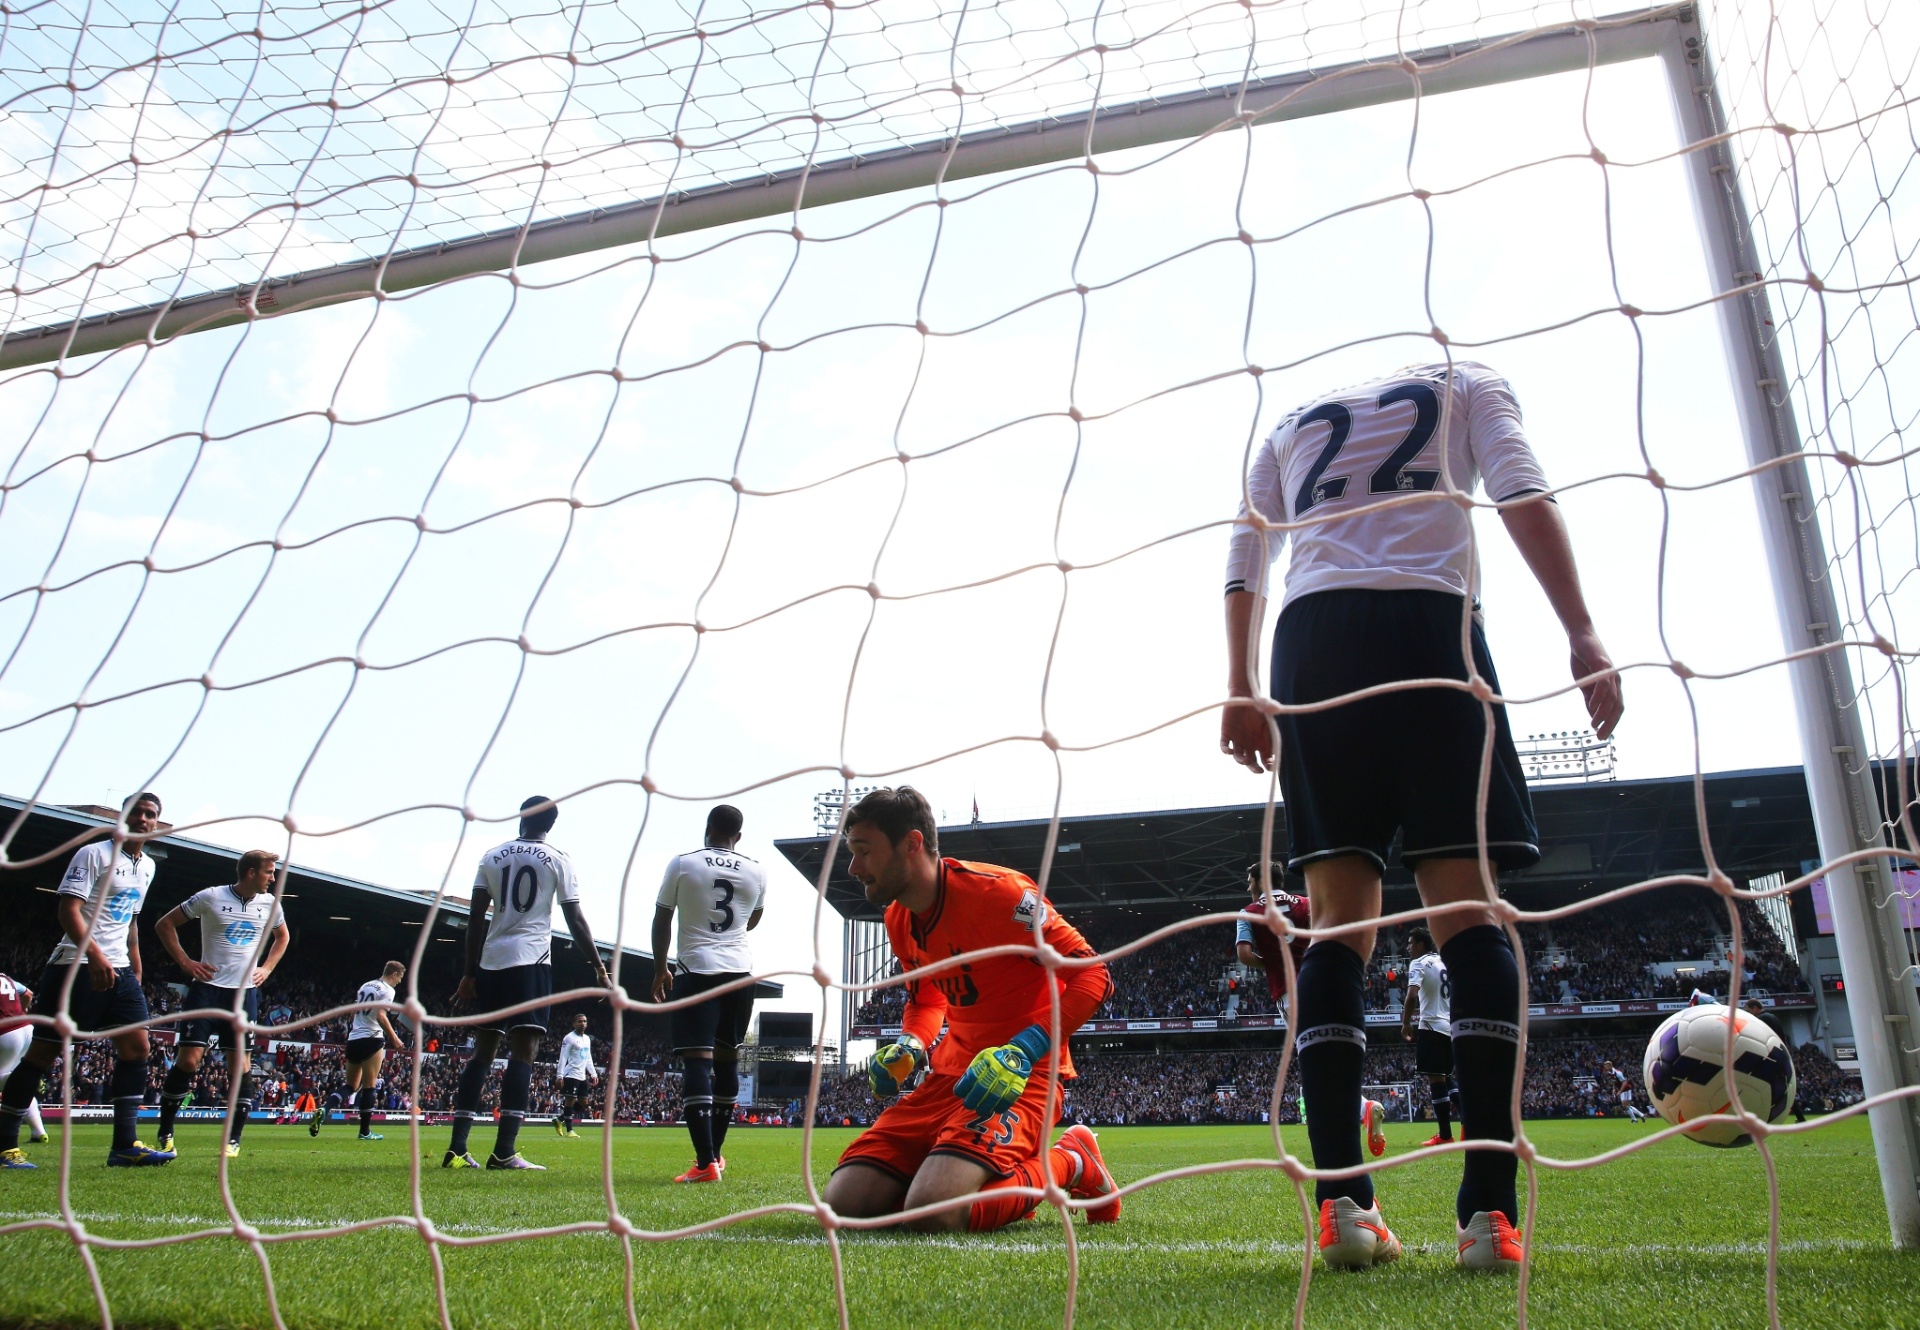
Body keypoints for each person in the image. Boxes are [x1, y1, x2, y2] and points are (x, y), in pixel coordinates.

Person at [1219, 362, 1623, 1271]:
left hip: (1312, 645)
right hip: (1432, 627)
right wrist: (1582, 630)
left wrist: (1239, 687)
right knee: (1469, 913)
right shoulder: (1472, 383)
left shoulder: (1287, 424)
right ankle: (1489, 1217)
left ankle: (1345, 1213)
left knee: (1337, 928)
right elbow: (1521, 487)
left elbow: (1247, 552)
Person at [821, 787, 1123, 1232]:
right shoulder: (898, 918)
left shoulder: (1002, 896)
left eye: (863, 851)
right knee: (844, 1206)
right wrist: (912, 1043)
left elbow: (1094, 974)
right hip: (951, 1076)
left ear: (912, 844)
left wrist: (1024, 1049)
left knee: (935, 1215)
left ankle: (1071, 1160)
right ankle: (964, 1172)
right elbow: (927, 998)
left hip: (1023, 1074)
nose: (853, 868)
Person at [0, 792, 175, 1169]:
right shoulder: (94, 854)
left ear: (157, 824)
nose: (144, 819)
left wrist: (136, 965)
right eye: (138, 813)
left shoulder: (147, 866)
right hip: (75, 965)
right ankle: (4, 1145)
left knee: (138, 1049)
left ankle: (124, 1145)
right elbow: (68, 909)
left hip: (121, 969)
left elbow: (131, 920)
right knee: (42, 1055)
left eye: (151, 815)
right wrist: (94, 955)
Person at [444, 796, 610, 1171]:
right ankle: (504, 1151)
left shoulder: (491, 856)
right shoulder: (559, 859)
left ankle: (456, 1148)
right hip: (531, 962)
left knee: (482, 1054)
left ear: (520, 818)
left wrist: (470, 973)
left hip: (492, 961)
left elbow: (475, 919)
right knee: (524, 1052)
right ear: (551, 824)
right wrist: (599, 968)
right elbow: (576, 920)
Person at [1235, 863, 1388, 1157]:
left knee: (1316, 1064)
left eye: (1248, 879)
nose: (1247, 886)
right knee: (1333, 1054)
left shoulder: (1248, 912)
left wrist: (1275, 961)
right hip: (1323, 980)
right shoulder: (1306, 903)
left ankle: (1360, 1109)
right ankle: (1358, 1108)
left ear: (1259, 881)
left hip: (1290, 991)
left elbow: (1244, 955)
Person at [652, 805, 766, 1181]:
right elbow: (752, 918)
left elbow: (662, 917)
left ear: (708, 828)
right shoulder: (756, 869)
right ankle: (715, 1156)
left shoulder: (684, 863)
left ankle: (704, 1165)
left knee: (698, 1064)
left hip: (697, 969)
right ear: (739, 834)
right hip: (740, 973)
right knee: (727, 1062)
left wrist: (659, 969)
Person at [152, 849, 290, 1158]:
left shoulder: (270, 905)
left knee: (239, 1066)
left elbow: (283, 938)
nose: (273, 878)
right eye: (269, 872)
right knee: (188, 1061)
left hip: (243, 996)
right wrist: (187, 963)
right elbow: (165, 924)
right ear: (251, 872)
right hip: (206, 990)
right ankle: (166, 1131)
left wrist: (266, 968)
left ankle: (234, 1139)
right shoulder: (211, 897)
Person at [316, 960, 407, 1140]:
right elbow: (381, 1015)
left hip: (354, 1038)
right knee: (369, 1086)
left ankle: (324, 1109)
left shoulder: (365, 986)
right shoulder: (388, 990)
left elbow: (354, 1011)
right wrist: (395, 1038)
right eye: (400, 978)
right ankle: (364, 1131)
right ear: (394, 974)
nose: (400, 982)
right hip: (372, 1038)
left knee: (351, 1085)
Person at [1400, 927, 1460, 1147]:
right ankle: (1469, 1126)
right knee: (1447, 1076)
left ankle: (1445, 1135)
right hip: (1448, 1026)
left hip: (1431, 1025)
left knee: (1436, 1078)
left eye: (1410, 943)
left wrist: (1406, 1023)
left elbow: (1412, 995)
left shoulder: (1418, 963)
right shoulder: (1442, 962)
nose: (1407, 948)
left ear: (1421, 945)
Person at [0, 974, 48, 1145]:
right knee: (17, 1080)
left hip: (5, 1034)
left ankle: (27, 1080)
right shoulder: (4, 977)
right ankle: (38, 1132)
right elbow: (28, 994)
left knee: (10, 1080)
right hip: (26, 1029)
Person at [554, 1013, 598, 1138]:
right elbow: (563, 1057)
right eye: (580, 1021)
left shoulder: (587, 1039)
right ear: (574, 1023)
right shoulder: (569, 1038)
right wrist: (559, 1076)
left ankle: (559, 1120)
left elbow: (588, 1057)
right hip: (571, 1074)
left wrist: (593, 1073)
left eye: (585, 1021)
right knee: (570, 1101)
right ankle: (569, 1131)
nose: (583, 1023)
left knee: (584, 1103)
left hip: (582, 1076)